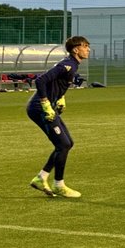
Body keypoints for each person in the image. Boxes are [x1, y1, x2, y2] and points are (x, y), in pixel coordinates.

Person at [27, 35, 91, 198]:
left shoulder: (72, 65)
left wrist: (61, 96)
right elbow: (40, 81)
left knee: (68, 143)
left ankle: (41, 178)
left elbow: (56, 83)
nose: (88, 49)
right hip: (39, 108)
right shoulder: (68, 65)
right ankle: (58, 185)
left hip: (47, 106)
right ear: (76, 50)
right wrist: (46, 104)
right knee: (63, 144)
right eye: (85, 46)